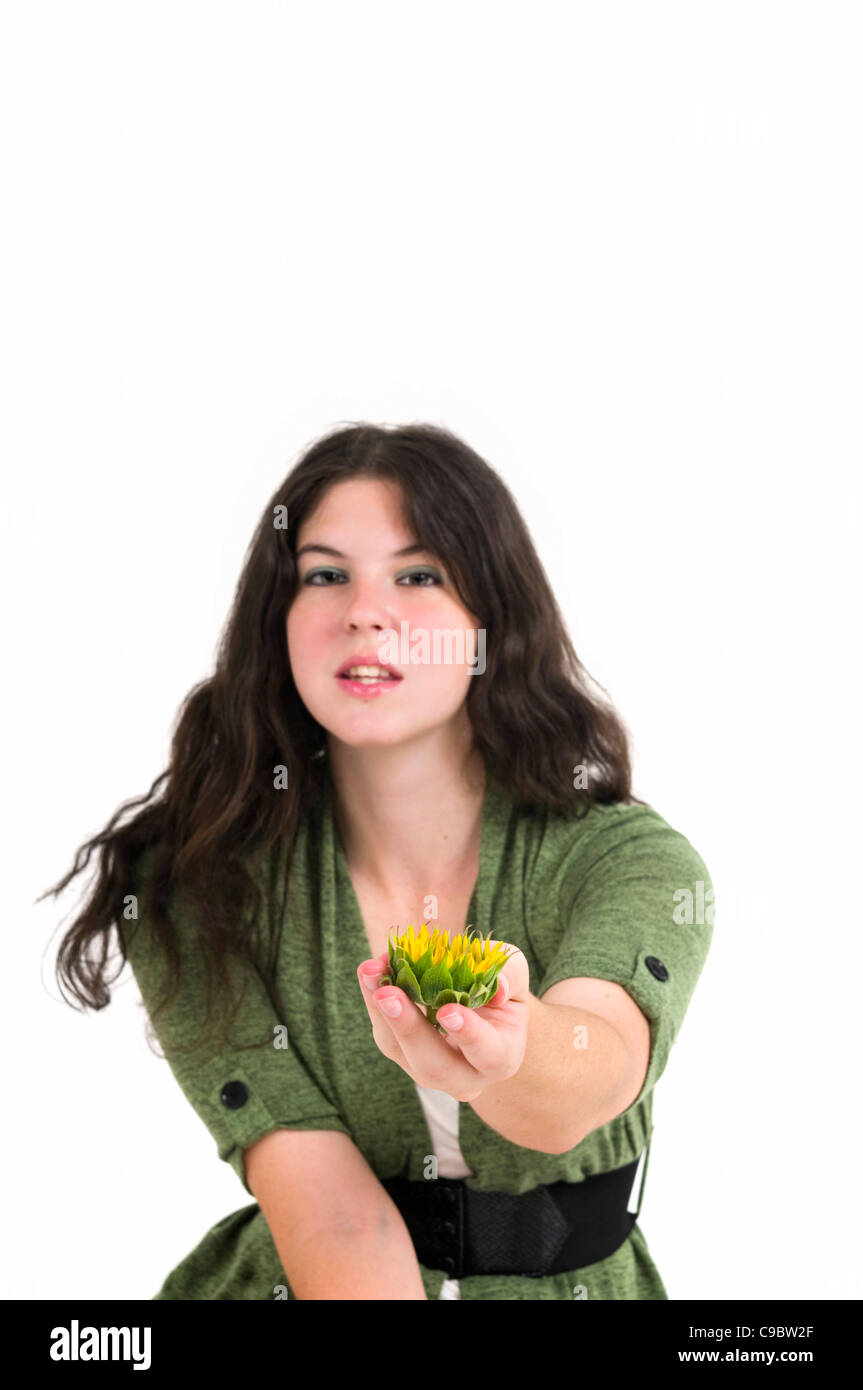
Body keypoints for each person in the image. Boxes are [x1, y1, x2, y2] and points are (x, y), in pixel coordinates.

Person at [45, 421, 714, 1300]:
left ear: (488, 622)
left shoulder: (631, 862)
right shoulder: (189, 884)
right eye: (324, 575)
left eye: (418, 575)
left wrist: (508, 1052)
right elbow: (334, 1220)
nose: (364, 611)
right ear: (276, 621)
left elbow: (580, 1088)